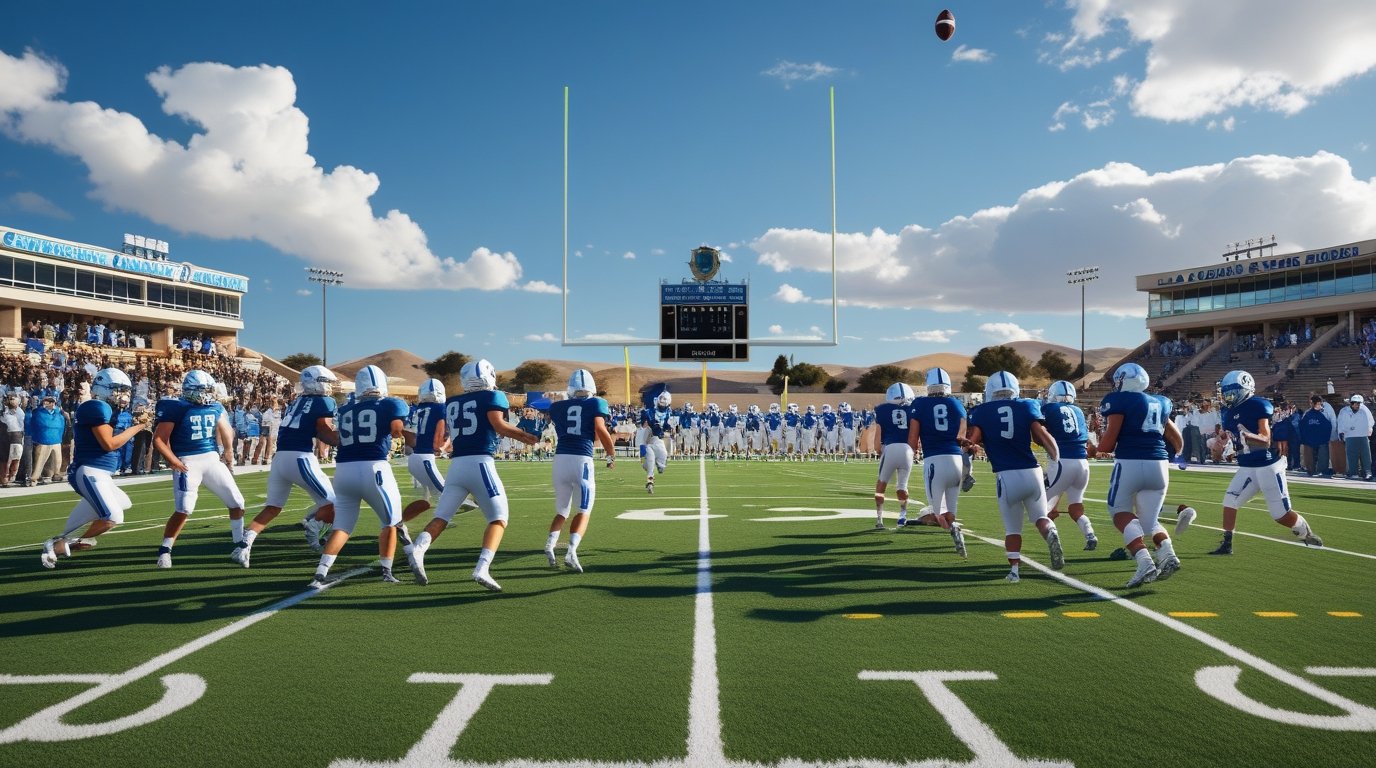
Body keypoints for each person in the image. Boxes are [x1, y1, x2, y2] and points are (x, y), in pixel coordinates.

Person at [403, 360, 538, 591]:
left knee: (442, 516)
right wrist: (525, 436)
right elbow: (499, 425)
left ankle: (419, 548)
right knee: (499, 518)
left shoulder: (453, 402)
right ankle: (482, 568)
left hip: (457, 465)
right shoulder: (493, 397)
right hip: (480, 463)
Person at [309, 365, 408, 586]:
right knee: (390, 522)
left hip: (344, 470)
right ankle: (387, 571)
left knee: (342, 526)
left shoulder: (346, 408)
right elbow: (396, 430)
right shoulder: (391, 404)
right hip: (374, 468)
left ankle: (321, 571)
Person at [231, 366, 340, 568]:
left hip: (280, 458)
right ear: (316, 383)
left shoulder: (296, 401)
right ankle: (313, 528)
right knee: (335, 504)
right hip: (300, 458)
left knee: (272, 507)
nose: (329, 386)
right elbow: (324, 431)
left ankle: (244, 546)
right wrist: (345, 441)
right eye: (326, 382)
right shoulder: (324, 401)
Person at [40, 369, 146, 569]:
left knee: (123, 502)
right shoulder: (96, 407)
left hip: (99, 472)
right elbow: (109, 444)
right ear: (104, 389)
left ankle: (61, 539)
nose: (123, 395)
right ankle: (65, 544)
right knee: (112, 517)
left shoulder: (106, 409)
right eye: (118, 390)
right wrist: (138, 427)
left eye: (125, 390)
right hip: (90, 470)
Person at [1208, 370, 1323, 555]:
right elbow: (1229, 435)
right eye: (1226, 392)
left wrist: (1249, 436)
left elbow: (1265, 439)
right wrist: (1220, 442)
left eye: (1231, 392)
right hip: (1247, 466)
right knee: (1230, 500)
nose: (1227, 397)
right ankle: (1227, 544)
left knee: (1280, 514)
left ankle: (1304, 531)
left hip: (1267, 465)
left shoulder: (1257, 405)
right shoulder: (1228, 412)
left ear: (1244, 389)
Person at [966, 371, 1065, 583]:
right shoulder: (1027, 406)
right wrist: (1055, 459)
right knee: (1041, 518)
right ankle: (1050, 531)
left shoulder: (982, 412)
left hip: (1006, 475)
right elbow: (1042, 437)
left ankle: (1014, 571)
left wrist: (967, 457)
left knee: (1012, 528)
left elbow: (972, 441)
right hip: (1032, 472)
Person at [1095, 362, 1184, 587]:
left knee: (1119, 513)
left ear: (1123, 381)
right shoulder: (1161, 402)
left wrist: (1093, 448)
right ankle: (1168, 554)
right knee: (1149, 521)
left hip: (1130, 463)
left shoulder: (1120, 400)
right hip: (1159, 466)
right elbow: (1178, 442)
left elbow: (1107, 444)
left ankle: (1144, 561)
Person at [151, 370, 246, 568]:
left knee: (237, 502)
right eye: (203, 390)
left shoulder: (215, 406)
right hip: (188, 461)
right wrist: (173, 460)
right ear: (190, 390)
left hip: (211, 459)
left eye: (208, 390)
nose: (206, 394)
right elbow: (159, 438)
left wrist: (228, 451)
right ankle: (165, 550)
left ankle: (239, 546)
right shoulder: (175, 406)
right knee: (184, 508)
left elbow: (226, 429)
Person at [544, 369, 616, 573]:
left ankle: (550, 545)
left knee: (562, 510)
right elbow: (599, 429)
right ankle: (571, 551)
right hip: (581, 459)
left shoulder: (557, 407)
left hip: (560, 460)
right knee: (584, 510)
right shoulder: (596, 403)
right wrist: (611, 455)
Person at [905, 367, 968, 557]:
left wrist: (912, 453)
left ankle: (954, 530)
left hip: (934, 461)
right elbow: (962, 435)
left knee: (937, 512)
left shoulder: (920, 404)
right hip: (956, 460)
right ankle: (953, 526)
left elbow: (913, 438)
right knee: (951, 511)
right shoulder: (957, 403)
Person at [1040, 380, 1099, 550]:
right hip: (1082, 464)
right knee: (1076, 507)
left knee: (1042, 509)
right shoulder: (1078, 410)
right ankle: (1090, 534)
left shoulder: (1048, 408)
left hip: (1062, 461)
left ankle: (1053, 538)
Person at [873, 382, 916, 530]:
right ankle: (903, 515)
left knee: (881, 485)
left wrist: (878, 450)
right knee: (902, 487)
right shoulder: (912, 409)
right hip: (907, 450)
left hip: (890, 448)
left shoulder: (882, 409)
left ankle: (879, 519)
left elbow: (878, 435)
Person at [638, 385, 673, 493]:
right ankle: (650, 481)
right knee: (650, 460)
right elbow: (643, 430)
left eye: (664, 400)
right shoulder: (648, 413)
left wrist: (666, 429)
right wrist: (642, 448)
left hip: (658, 441)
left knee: (662, 461)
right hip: (648, 442)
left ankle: (659, 467)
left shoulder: (668, 414)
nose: (662, 401)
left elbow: (668, 431)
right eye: (661, 399)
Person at [28, 395, 66, 485]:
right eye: (48, 401)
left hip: (56, 440)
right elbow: (37, 424)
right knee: (39, 462)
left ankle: (56, 475)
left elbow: (62, 425)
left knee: (57, 461)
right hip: (43, 441)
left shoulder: (58, 413)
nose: (50, 403)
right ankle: (34, 479)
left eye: (52, 401)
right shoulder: (38, 412)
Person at [1335, 394, 1374, 480]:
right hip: (1350, 436)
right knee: (1351, 455)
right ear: (1351, 403)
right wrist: (1341, 433)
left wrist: (1369, 430)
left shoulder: (1365, 410)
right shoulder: (1344, 411)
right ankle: (1353, 473)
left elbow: (1371, 421)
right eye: (1356, 403)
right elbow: (1340, 422)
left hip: (1363, 435)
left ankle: (1367, 472)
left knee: (1366, 455)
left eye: (1359, 403)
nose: (1358, 405)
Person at [1299, 395, 1332, 476]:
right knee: (1309, 456)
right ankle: (1311, 470)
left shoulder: (1324, 414)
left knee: (1323, 455)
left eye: (1320, 404)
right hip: (1309, 440)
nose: (1319, 406)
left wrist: (1326, 438)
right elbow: (1302, 426)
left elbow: (1328, 426)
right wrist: (1304, 439)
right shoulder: (1307, 414)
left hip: (1321, 440)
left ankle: (1322, 470)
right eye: (1318, 404)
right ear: (1313, 404)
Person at [1, 392, 24, 486]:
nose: (11, 401)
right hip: (5, 436)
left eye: (12, 399)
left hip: (17, 436)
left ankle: (12, 477)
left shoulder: (20, 412)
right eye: (9, 399)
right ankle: (4, 478)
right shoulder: (3, 412)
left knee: (16, 458)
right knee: (5, 459)